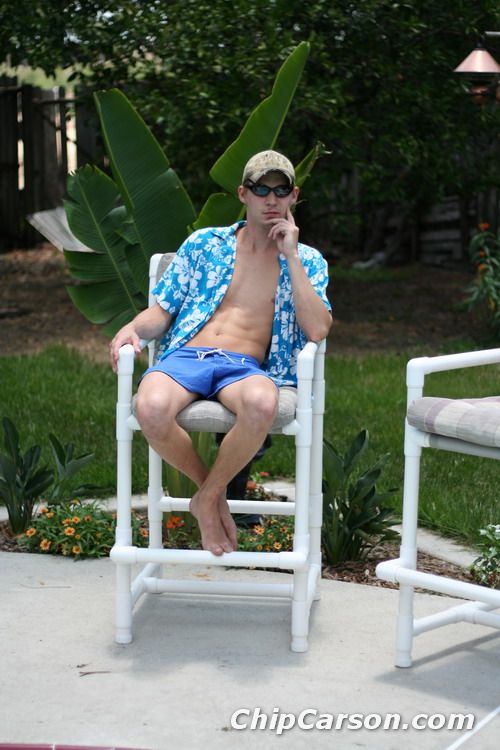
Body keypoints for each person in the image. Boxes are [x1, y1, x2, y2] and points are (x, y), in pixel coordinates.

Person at [110, 150, 332, 556]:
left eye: (280, 190)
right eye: (261, 189)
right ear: (243, 194)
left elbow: (318, 328)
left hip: (243, 367)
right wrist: (133, 328)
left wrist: (292, 255)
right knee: (150, 407)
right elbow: (163, 309)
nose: (271, 199)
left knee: (262, 404)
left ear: (294, 196)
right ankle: (211, 497)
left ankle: (207, 498)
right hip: (186, 356)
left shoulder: (308, 261)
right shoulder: (204, 244)